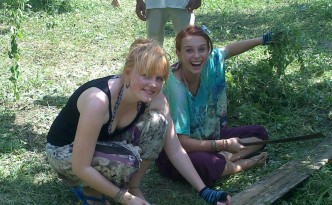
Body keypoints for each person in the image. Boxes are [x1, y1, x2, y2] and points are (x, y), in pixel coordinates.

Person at [46, 39, 231, 205]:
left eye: (159, 78)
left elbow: (175, 149)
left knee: (158, 122)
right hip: (65, 152)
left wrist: (205, 192)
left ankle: (133, 187)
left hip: (101, 145)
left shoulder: (156, 99)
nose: (153, 84)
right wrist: (123, 199)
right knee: (126, 161)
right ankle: (90, 189)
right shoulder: (98, 101)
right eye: (146, 75)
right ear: (128, 73)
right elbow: (81, 165)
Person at [156, 25, 272, 187]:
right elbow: (181, 143)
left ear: (208, 51)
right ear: (179, 53)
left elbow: (229, 50)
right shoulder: (176, 88)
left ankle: (226, 158)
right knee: (206, 163)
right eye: (189, 50)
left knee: (259, 134)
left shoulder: (210, 62)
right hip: (175, 153)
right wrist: (223, 145)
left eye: (202, 49)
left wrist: (263, 40)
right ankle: (241, 163)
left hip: (209, 136)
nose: (196, 56)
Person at [135, 0, 201, 46]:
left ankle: (186, 66)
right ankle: (155, 66)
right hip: (153, 3)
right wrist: (139, 1)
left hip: (183, 3)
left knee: (187, 41)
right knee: (153, 45)